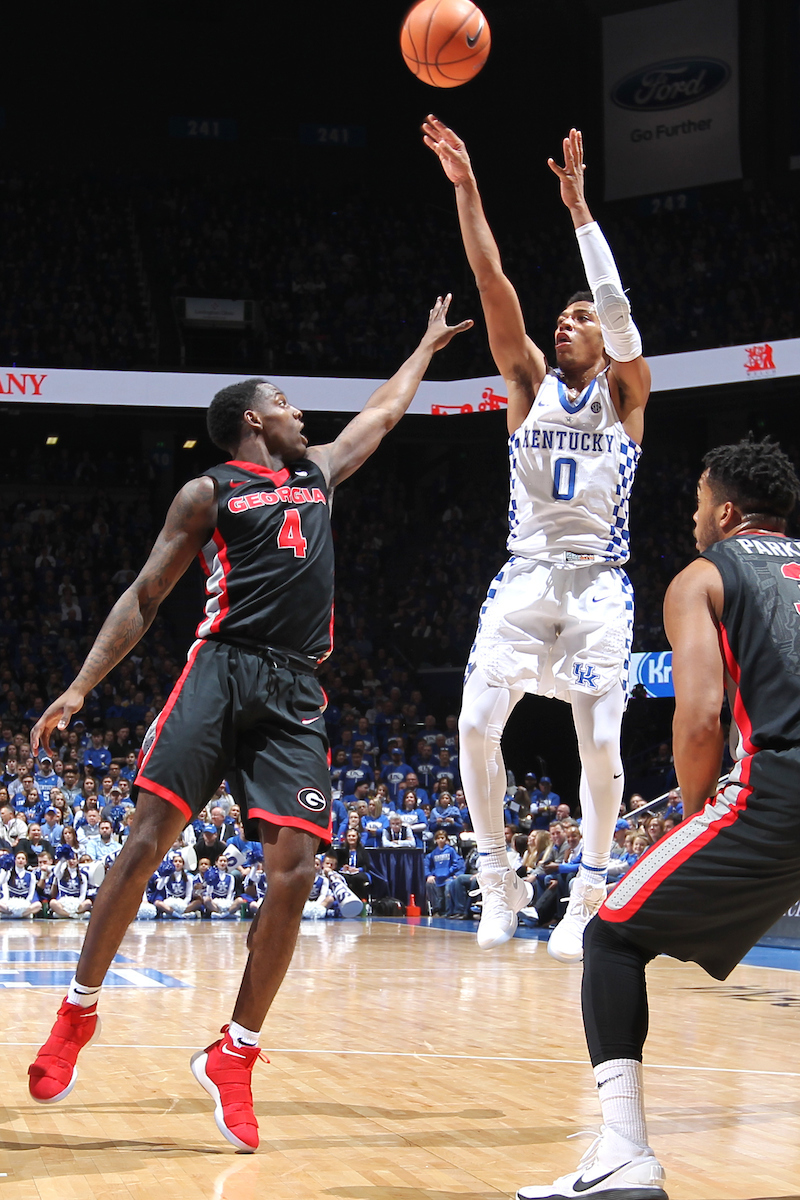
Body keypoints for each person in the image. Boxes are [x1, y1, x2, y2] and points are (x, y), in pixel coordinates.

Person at [26, 295, 471, 1152]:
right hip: (221, 668)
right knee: (147, 841)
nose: (304, 415)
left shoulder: (318, 475)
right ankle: (77, 1013)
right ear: (254, 420)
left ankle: (234, 1052)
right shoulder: (210, 492)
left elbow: (381, 415)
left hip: (295, 687)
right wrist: (81, 687)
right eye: (288, 403)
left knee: (296, 869)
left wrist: (422, 347)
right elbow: (145, 595)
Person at [518, 437, 800, 1199]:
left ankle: (623, 1151)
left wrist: (701, 815)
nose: (694, 517)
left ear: (727, 512)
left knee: (611, 934)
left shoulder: (704, 576)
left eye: (699, 503)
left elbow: (701, 716)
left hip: (781, 787)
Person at [423, 118, 650, 960]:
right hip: (524, 577)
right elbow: (491, 279)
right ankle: (498, 876)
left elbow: (618, 311)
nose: (567, 322)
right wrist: (467, 187)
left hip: (599, 584)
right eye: (561, 316)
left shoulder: (626, 393)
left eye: (578, 317)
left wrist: (580, 211)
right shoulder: (527, 382)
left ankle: (590, 890)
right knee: (474, 724)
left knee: (601, 742)